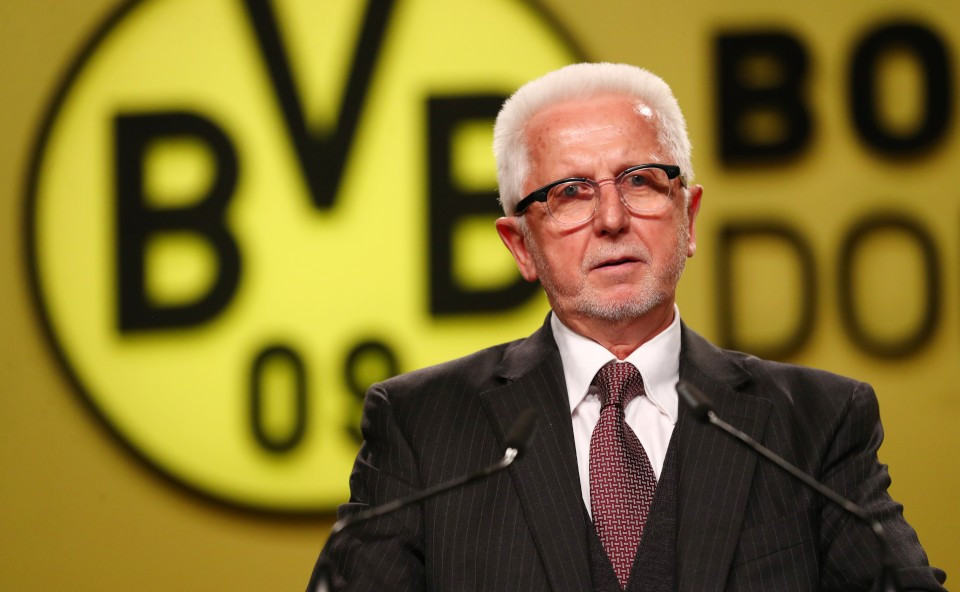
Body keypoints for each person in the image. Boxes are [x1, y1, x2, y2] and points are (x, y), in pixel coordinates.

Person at [310, 63, 946, 591]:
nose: (612, 219)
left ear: (689, 217)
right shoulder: (422, 428)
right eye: (570, 193)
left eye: (640, 181)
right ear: (521, 245)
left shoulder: (815, 424)